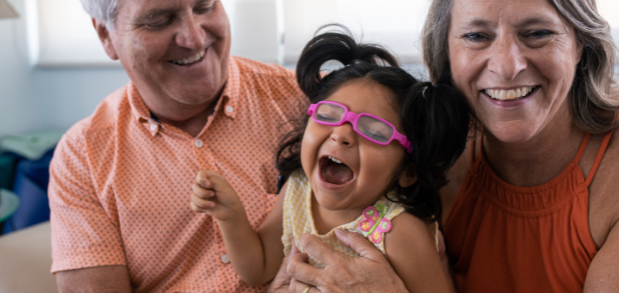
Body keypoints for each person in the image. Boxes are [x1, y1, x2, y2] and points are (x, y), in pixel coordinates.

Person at [272, 0, 619, 293]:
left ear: (582, 44)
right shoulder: (429, 153)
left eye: (538, 33)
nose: (508, 65)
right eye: (476, 36)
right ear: (445, 51)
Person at [48, 0, 307, 292]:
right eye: (159, 19)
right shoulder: (83, 158)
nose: (195, 37)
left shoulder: (306, 103)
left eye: (206, 6)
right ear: (106, 35)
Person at [190, 30, 468, 292]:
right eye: (328, 114)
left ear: (407, 170)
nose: (342, 134)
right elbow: (259, 268)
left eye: (373, 131)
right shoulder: (298, 189)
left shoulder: (399, 232)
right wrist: (230, 216)